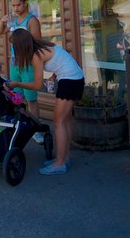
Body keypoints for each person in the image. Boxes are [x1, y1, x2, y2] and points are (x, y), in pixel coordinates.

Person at [7, 28, 85, 176]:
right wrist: (54, 76)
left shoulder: (36, 55)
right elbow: (64, 60)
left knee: (58, 122)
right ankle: (64, 158)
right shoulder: (43, 46)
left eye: (14, 47)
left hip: (70, 81)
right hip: (73, 78)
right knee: (65, 121)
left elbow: (37, 85)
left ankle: (59, 164)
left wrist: (17, 84)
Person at [0, 0, 44, 143]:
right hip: (15, 63)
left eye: (18, 5)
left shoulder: (31, 20)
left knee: (31, 99)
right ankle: (20, 125)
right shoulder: (13, 21)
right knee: (16, 97)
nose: (16, 8)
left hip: (28, 63)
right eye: (13, 5)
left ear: (25, 3)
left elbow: (37, 43)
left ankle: (37, 130)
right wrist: (3, 21)